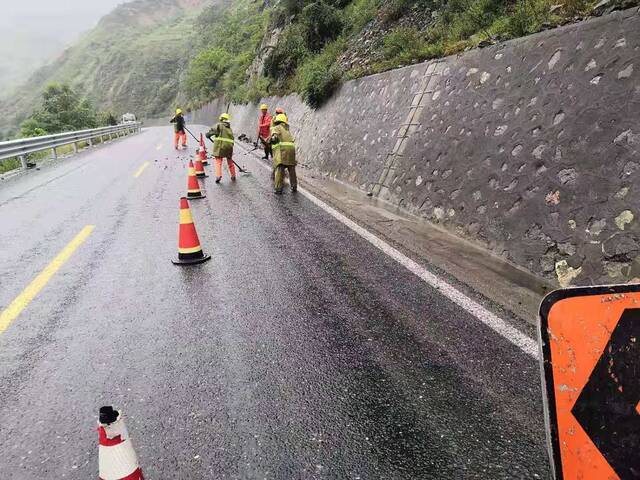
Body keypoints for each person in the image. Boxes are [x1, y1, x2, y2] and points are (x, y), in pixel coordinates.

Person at [206, 113, 236, 183]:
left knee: (218, 161)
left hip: (220, 147)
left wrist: (208, 135)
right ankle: (233, 175)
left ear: (221, 119)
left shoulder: (219, 125)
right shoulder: (230, 129)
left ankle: (218, 176)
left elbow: (212, 131)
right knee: (230, 162)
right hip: (229, 148)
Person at [271, 113, 296, 194]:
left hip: (283, 151)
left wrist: (273, 139)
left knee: (279, 168)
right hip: (292, 150)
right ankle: (294, 186)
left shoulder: (277, 127)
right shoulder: (287, 130)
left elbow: (274, 136)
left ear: (277, 121)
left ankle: (278, 188)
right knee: (291, 169)